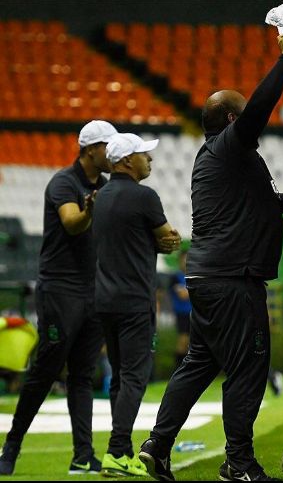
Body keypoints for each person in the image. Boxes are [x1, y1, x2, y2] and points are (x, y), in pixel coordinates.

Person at [139, 35, 283, 482]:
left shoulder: (221, 160)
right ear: (231, 120)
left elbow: (261, 203)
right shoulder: (229, 146)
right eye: (244, 115)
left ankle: (158, 445)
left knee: (199, 363)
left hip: (209, 276)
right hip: (233, 279)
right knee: (248, 366)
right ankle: (239, 463)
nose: (253, 123)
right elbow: (259, 108)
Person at [0, 120, 117, 477]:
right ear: (90, 149)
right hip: (60, 289)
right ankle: (11, 447)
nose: (112, 152)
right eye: (107, 146)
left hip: (91, 290)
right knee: (46, 369)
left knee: (82, 374)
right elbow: (72, 223)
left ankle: (83, 455)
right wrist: (91, 210)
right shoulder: (64, 182)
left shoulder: (106, 186)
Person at [93, 132, 181, 477]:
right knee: (134, 376)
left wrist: (153, 241)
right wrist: (162, 241)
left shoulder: (101, 196)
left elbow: (129, 240)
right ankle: (116, 450)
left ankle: (124, 452)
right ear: (127, 160)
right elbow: (168, 236)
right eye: (144, 154)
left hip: (104, 298)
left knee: (119, 378)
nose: (150, 159)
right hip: (134, 299)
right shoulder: (145, 196)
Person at [168, 247, 191, 369]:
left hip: (195, 314)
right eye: (184, 259)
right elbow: (183, 295)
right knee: (183, 342)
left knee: (194, 344)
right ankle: (178, 370)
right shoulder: (175, 277)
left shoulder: (193, 276)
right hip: (182, 314)